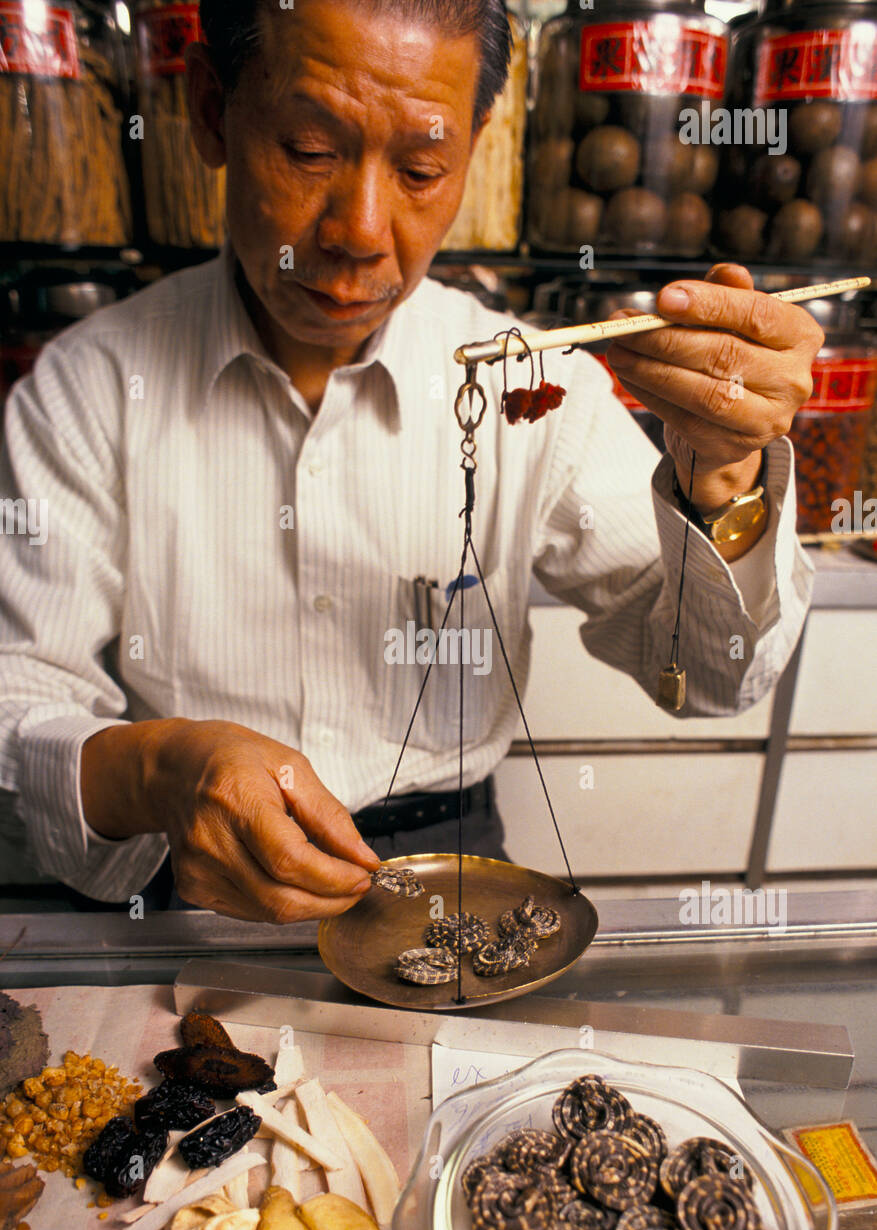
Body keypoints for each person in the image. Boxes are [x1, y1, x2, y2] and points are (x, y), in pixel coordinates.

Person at [0, 0, 822, 924]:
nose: (357, 230)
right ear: (209, 110)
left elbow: (712, 677)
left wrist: (725, 479)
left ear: (476, 144)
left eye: (422, 168)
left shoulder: (531, 381)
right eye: (309, 151)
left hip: (449, 860)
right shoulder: (91, 381)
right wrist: (159, 770)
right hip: (190, 869)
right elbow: (20, 695)